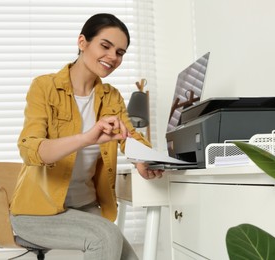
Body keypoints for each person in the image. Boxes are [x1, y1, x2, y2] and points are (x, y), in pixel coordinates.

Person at [9, 13, 163, 260]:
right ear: (82, 42)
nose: (113, 57)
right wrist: (87, 138)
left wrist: (143, 159)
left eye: (120, 52)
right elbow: (31, 151)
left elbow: (129, 136)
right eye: (105, 46)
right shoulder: (44, 87)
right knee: (105, 236)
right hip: (36, 212)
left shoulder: (111, 96)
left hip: (85, 208)